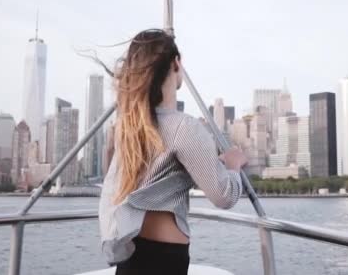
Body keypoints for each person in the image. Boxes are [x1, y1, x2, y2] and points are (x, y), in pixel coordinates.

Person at [98, 29, 248, 275]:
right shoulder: (184, 127)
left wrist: (211, 163)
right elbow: (224, 195)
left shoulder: (130, 129)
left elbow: (157, 179)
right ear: (177, 63)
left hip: (132, 258)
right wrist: (233, 166)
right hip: (165, 262)